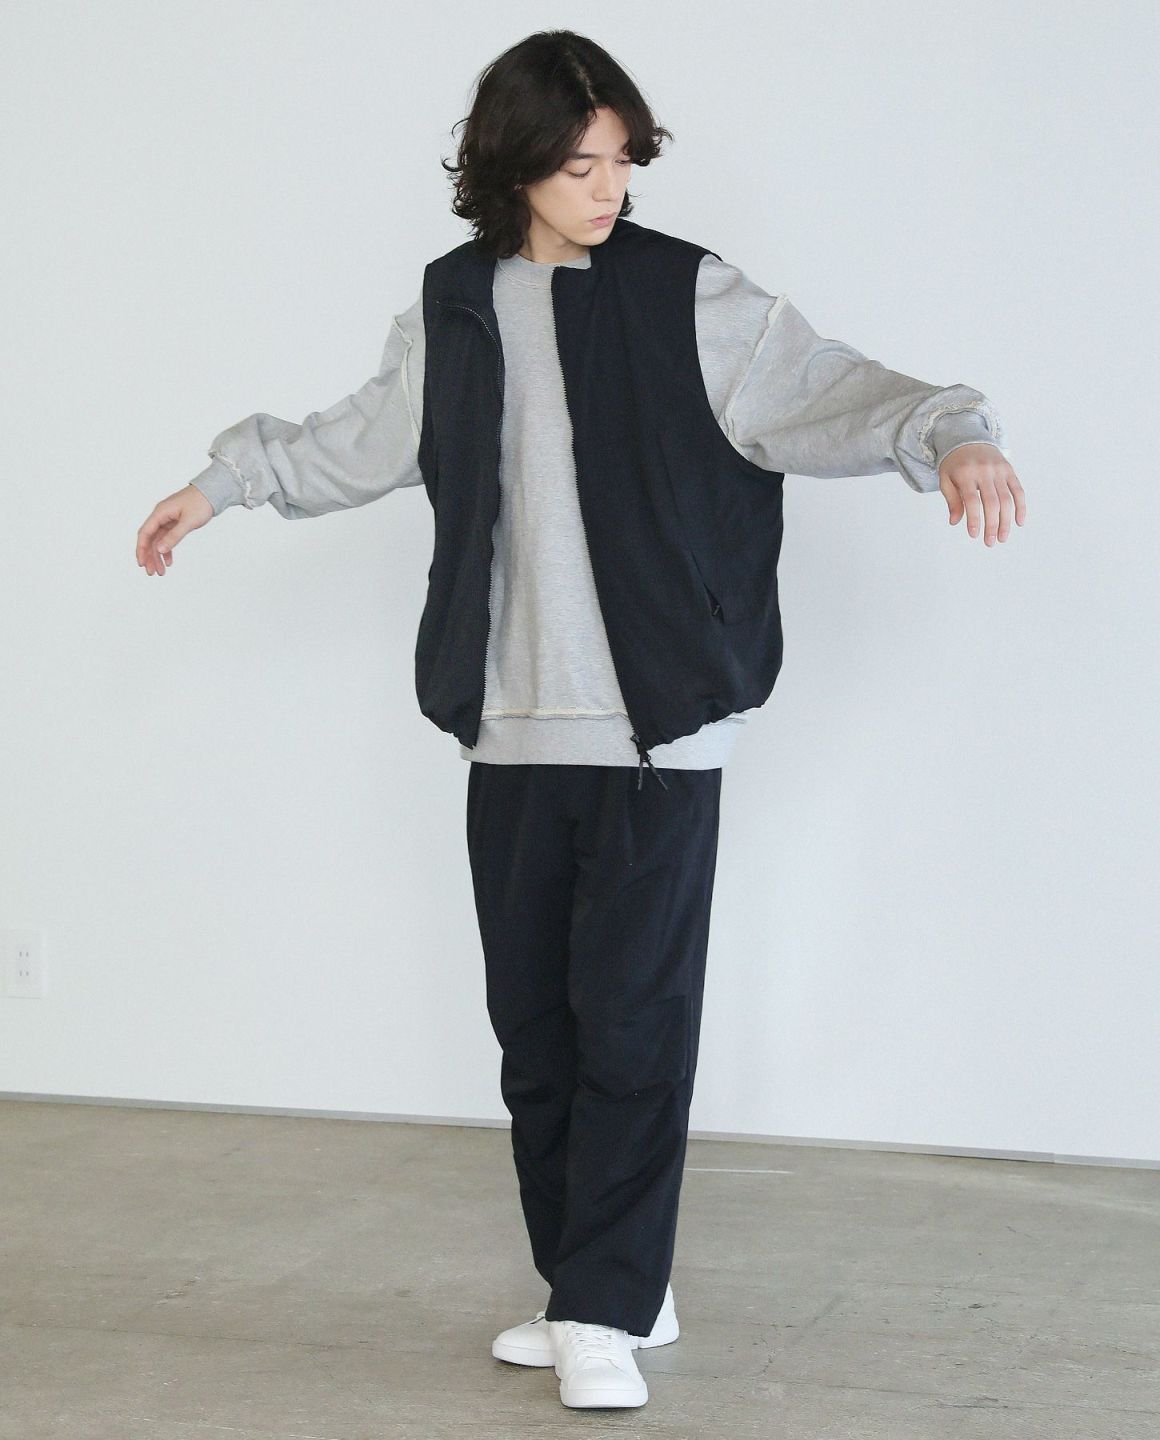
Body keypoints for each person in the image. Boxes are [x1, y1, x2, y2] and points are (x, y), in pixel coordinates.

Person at [135, 29, 1026, 1413]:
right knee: (537, 1033)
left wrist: (951, 433)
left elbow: (827, 387)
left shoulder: (689, 294)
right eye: (577, 166)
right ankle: (602, 1288)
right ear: (513, 170)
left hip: (655, 728)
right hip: (509, 724)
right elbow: (366, 435)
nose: (608, 189)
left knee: (633, 1024)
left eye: (621, 162)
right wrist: (224, 484)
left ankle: (604, 1303)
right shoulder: (456, 303)